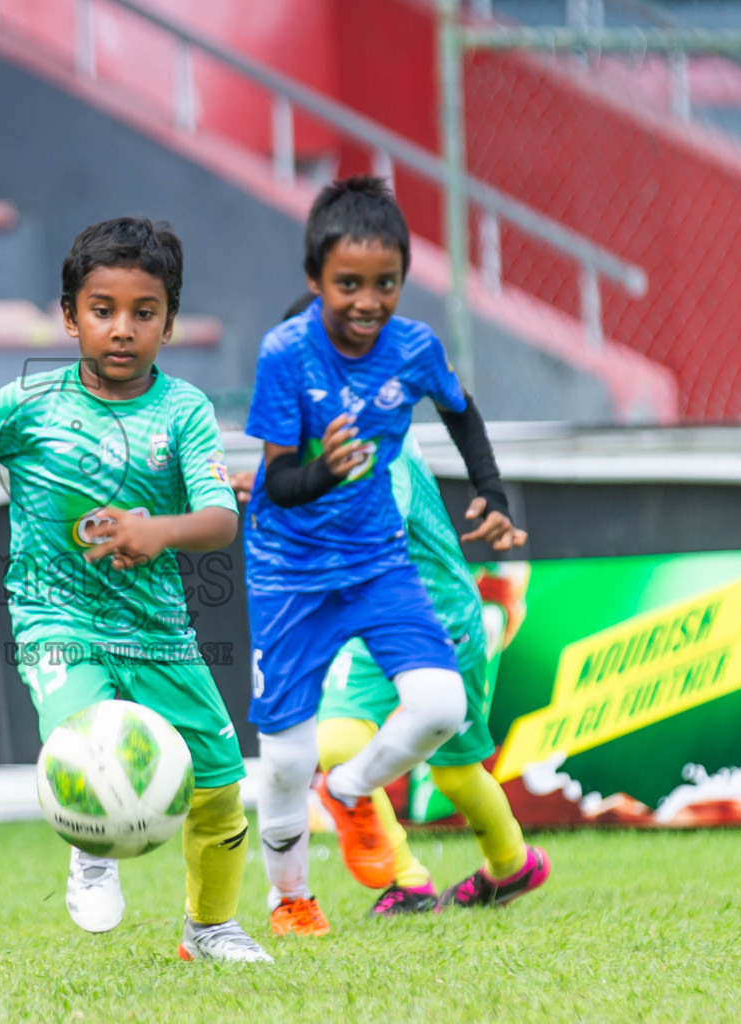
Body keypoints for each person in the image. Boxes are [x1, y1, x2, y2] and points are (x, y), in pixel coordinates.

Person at [0, 217, 273, 964]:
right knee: (88, 732)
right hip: (55, 618)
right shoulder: (29, 404)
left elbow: (219, 519)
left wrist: (156, 531)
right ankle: (92, 847)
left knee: (221, 789)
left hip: (162, 632)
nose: (123, 329)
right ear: (70, 316)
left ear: (169, 321)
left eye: (144, 312)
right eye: (103, 310)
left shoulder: (185, 412)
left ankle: (210, 929)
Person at [241, 177, 525, 937]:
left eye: (385, 284)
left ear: (402, 278)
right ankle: (289, 897)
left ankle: (354, 790)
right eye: (347, 286)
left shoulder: (414, 348)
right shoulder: (283, 355)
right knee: (285, 758)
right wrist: (326, 470)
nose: (367, 302)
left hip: (376, 566)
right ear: (315, 281)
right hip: (290, 576)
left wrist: (493, 494)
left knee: (441, 706)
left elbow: (461, 412)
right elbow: (278, 483)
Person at [229, 423, 547, 922]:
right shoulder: (325, 433)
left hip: (440, 621)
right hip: (371, 618)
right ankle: (408, 880)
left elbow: (376, 524)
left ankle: (512, 865)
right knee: (334, 742)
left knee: (456, 775)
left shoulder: (380, 439)